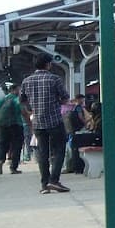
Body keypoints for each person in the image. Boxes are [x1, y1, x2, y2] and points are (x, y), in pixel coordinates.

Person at [19, 54, 71, 194]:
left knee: (43, 153)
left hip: (38, 123)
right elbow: (65, 98)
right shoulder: (54, 79)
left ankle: (44, 185)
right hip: (54, 121)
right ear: (48, 64)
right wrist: (57, 103)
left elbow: (22, 101)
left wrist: (32, 109)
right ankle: (54, 181)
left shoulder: (26, 81)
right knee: (59, 150)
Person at [0, 80, 25, 175]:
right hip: (16, 125)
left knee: (3, 145)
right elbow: (23, 112)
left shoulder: (0, 100)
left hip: (2, 126)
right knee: (17, 145)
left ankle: (0, 161)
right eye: (19, 90)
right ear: (14, 90)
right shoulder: (16, 99)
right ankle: (13, 167)